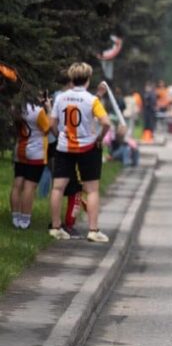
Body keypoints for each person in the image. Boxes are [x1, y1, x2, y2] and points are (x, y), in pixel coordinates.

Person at [48, 63, 112, 243]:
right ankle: (93, 230)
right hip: (88, 147)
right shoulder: (92, 100)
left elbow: (52, 124)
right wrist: (100, 137)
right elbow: (106, 123)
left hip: (64, 147)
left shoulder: (60, 98)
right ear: (88, 79)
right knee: (92, 190)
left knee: (58, 187)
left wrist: (59, 135)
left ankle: (55, 227)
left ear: (71, 78)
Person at [11, 98, 51, 229]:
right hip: (35, 151)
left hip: (20, 149)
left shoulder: (17, 107)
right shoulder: (38, 111)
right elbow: (47, 129)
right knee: (30, 186)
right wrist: (49, 109)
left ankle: (15, 218)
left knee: (17, 184)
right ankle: (25, 221)